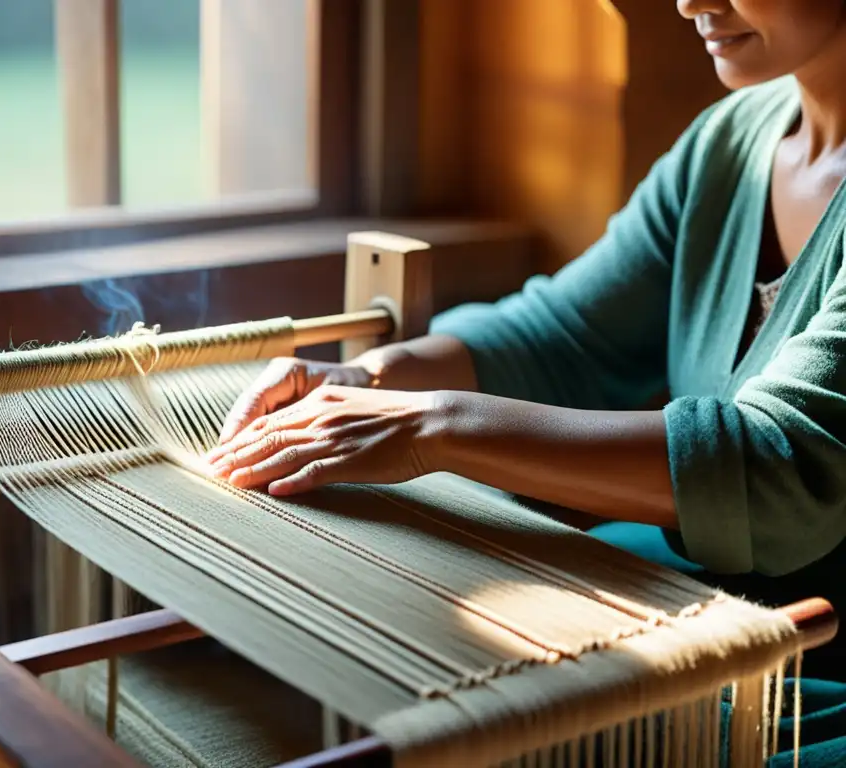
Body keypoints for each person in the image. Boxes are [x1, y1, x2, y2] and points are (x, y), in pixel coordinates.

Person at [207, 1, 846, 763]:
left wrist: (432, 426)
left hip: (813, 676)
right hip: (729, 620)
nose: (690, 1)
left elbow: (780, 467)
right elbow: (569, 332)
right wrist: (373, 375)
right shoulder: (731, 141)